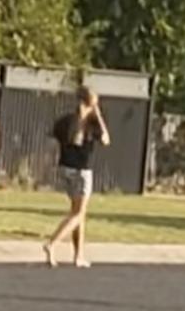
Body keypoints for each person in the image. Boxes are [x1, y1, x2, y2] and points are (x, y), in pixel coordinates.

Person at [45, 86, 110, 269]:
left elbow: (53, 137)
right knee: (78, 213)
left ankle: (78, 255)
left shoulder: (65, 121)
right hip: (82, 171)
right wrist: (98, 116)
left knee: (77, 212)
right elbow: (106, 139)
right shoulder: (91, 123)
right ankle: (52, 243)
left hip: (66, 168)